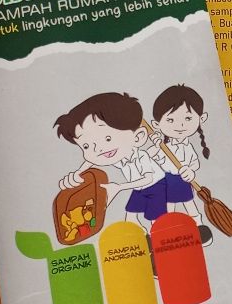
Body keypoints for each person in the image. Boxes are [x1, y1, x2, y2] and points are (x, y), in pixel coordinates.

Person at [55, 92, 166, 231]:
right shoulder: (116, 154)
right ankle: (142, 237)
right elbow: (92, 161)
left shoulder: (141, 157)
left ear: (138, 137)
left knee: (156, 219)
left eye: (108, 138)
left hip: (156, 186)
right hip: (138, 187)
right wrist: (78, 172)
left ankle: (159, 235)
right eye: (86, 146)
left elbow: (148, 179)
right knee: (131, 216)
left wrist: (119, 187)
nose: (98, 149)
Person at [150, 84, 213, 246]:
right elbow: (153, 160)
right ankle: (164, 230)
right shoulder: (164, 146)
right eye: (170, 120)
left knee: (189, 204)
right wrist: (156, 147)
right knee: (166, 207)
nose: (180, 126)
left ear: (201, 119)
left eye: (188, 118)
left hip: (182, 182)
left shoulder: (188, 147)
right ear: (157, 124)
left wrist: (190, 172)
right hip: (166, 181)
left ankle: (198, 227)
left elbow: (194, 163)